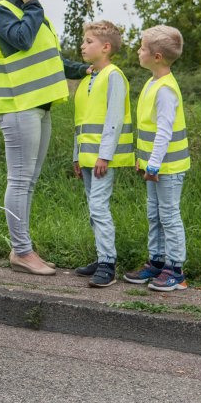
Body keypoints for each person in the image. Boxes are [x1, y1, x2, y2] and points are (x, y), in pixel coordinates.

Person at [0, 0, 90, 276]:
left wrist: (84, 69)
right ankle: (21, 252)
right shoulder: (3, 12)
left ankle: (24, 248)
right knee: (19, 181)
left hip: (40, 108)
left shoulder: (37, 14)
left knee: (29, 182)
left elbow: (52, 61)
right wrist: (31, 4)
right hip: (19, 107)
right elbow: (20, 40)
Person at [124, 25, 190, 291]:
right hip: (154, 166)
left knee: (169, 216)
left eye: (142, 48)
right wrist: (144, 160)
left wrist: (153, 164)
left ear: (157, 56)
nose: (138, 52)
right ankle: (156, 262)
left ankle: (176, 270)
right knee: (155, 215)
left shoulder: (165, 89)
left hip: (167, 168)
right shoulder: (153, 82)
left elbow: (163, 132)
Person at [73, 21, 134, 287]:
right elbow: (82, 121)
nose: (82, 46)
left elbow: (114, 119)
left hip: (101, 159)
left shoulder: (114, 76)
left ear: (105, 47)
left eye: (88, 41)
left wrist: (105, 155)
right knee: (92, 208)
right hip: (87, 157)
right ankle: (101, 256)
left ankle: (108, 263)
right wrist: (77, 155)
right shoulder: (90, 78)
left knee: (99, 207)